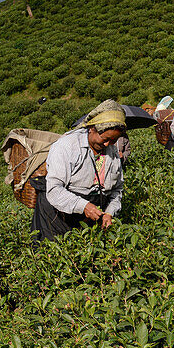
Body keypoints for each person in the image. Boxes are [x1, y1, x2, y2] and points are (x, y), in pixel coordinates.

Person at [30, 100, 125, 242]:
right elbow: (54, 189)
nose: (107, 144)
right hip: (57, 214)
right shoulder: (66, 146)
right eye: (105, 139)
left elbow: (117, 189)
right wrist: (83, 205)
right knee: (52, 252)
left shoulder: (112, 151)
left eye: (113, 140)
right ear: (92, 128)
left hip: (90, 215)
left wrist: (109, 212)